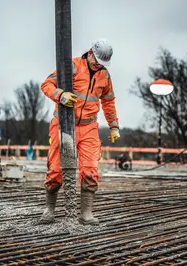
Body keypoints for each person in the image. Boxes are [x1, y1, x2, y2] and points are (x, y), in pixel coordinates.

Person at [40, 38, 120, 225]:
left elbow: (108, 102)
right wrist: (61, 95)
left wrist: (114, 126)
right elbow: (47, 85)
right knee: (55, 170)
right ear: (90, 52)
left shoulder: (104, 75)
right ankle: (49, 209)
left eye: (102, 64)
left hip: (89, 127)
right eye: (97, 61)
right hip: (64, 124)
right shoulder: (73, 66)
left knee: (90, 169)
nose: (98, 65)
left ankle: (86, 214)